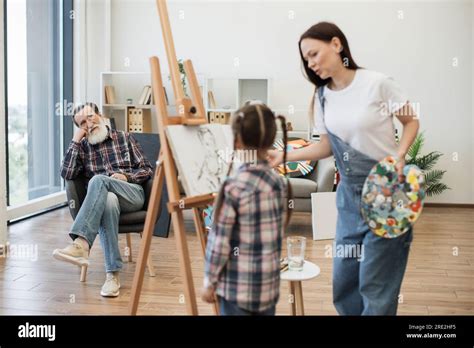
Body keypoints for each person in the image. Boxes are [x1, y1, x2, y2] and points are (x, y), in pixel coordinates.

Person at [268, 22, 419, 315]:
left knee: (376, 285)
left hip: (386, 192)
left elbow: (411, 121)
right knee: (345, 281)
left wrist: (401, 155)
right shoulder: (323, 97)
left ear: (336, 44)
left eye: (314, 54)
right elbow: (326, 147)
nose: (310, 63)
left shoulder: (377, 83)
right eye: (306, 59)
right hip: (348, 197)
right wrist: (282, 155)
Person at [53, 102, 153, 297]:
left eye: (91, 117)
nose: (89, 124)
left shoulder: (124, 137)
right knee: (108, 200)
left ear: (100, 114)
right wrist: (75, 141)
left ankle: (81, 244)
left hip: (132, 194)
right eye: (82, 123)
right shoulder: (82, 148)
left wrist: (127, 177)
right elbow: (67, 173)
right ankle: (112, 276)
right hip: (105, 200)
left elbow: (147, 169)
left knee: (99, 180)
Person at [201, 103, 292, 315]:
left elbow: (220, 242)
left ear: (237, 141)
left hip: (236, 291)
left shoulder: (233, 186)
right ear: (270, 139)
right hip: (268, 289)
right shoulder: (278, 182)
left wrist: (209, 281)